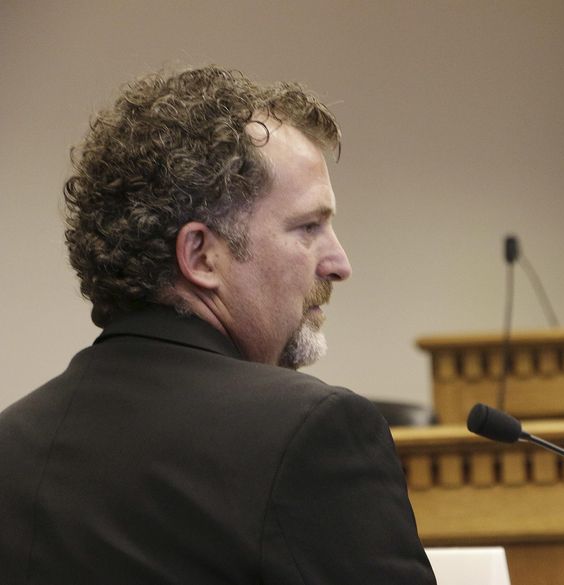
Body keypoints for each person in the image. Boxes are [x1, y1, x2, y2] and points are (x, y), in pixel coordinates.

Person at [0, 66, 436, 584]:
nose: (339, 262)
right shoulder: (311, 432)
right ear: (201, 256)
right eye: (308, 227)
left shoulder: (11, 444)